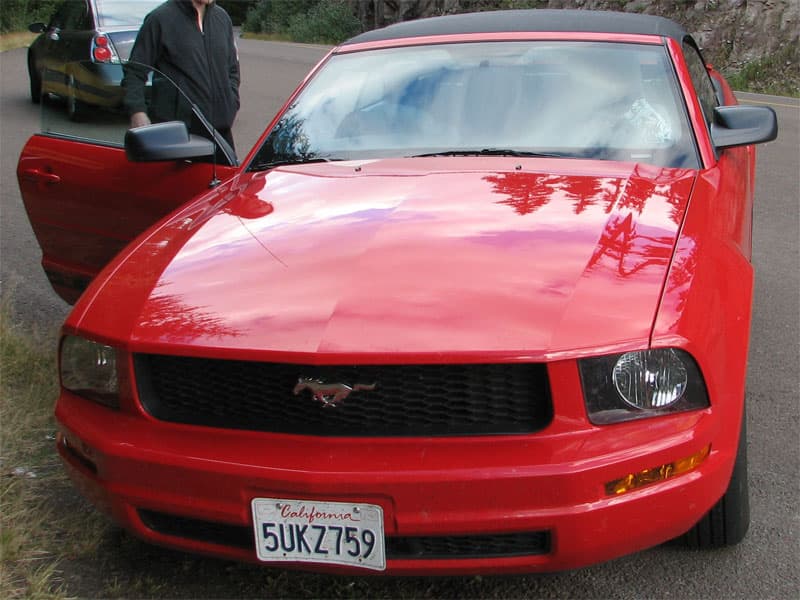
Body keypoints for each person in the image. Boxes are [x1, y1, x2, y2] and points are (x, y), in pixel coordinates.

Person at [123, 0, 240, 152]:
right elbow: (135, 72)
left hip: (220, 132)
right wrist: (137, 112)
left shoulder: (222, 18)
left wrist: (231, 102)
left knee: (229, 176)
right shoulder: (160, 18)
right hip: (177, 133)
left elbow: (232, 69)